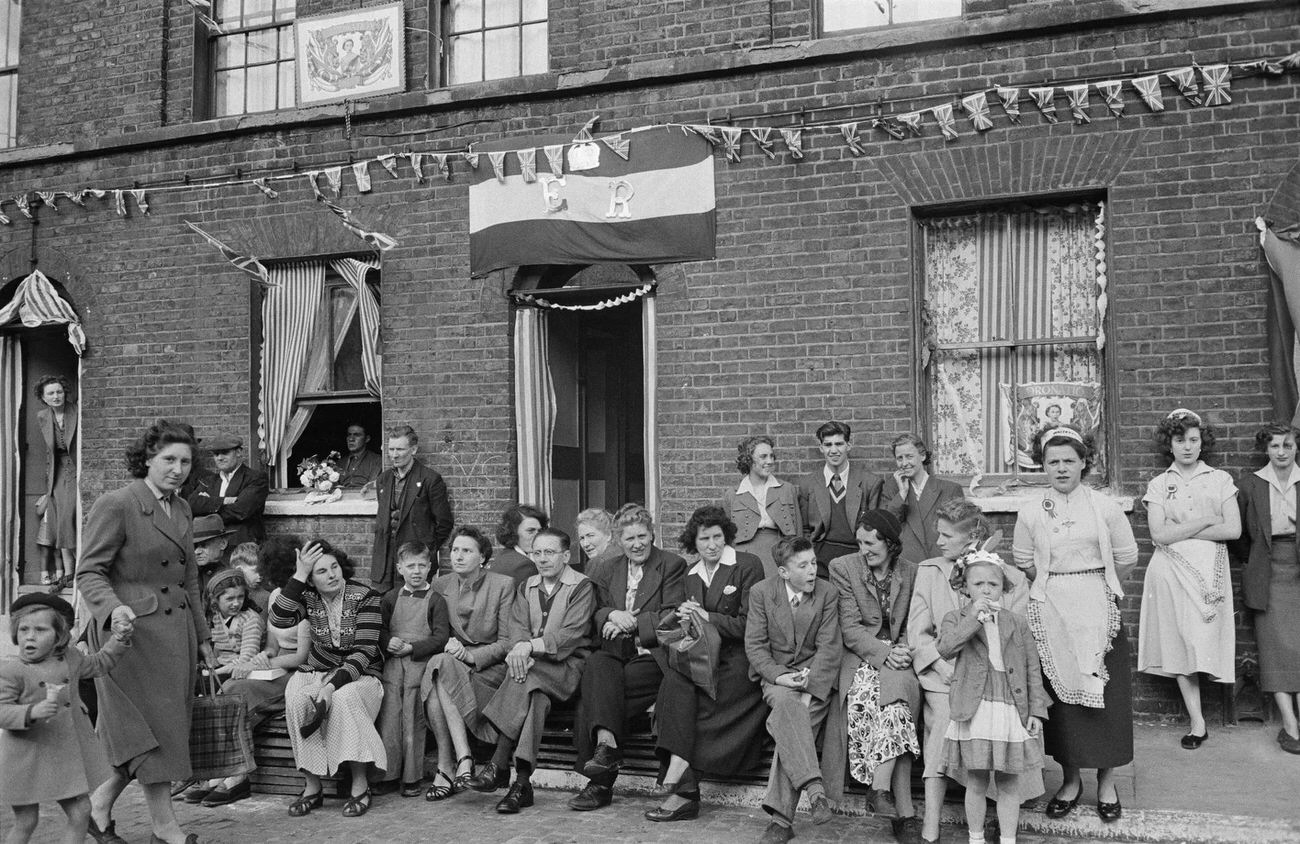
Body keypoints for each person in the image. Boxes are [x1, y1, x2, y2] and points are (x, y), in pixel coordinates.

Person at [77, 419, 215, 844]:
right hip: (129, 637)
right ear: (148, 460)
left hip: (176, 636)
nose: (177, 469)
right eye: (168, 459)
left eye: (185, 461)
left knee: (158, 728)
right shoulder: (117, 503)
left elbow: (189, 577)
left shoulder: (183, 507)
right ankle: (164, 827)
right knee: (150, 729)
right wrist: (114, 610)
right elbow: (89, 571)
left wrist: (204, 637)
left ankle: (97, 810)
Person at [1013, 425, 1137, 823]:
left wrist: (1101, 591)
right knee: (1063, 700)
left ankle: (1106, 782)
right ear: (1043, 466)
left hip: (1100, 608)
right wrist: (1056, 592)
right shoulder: (1031, 510)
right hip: (1054, 611)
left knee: (1107, 698)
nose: (1062, 468)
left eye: (1069, 461)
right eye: (1053, 462)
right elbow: (1024, 561)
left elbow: (1127, 556)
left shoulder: (1105, 507)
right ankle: (1070, 781)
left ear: (1084, 463)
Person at [909, 499, 1028, 844]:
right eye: (938, 535)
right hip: (943, 675)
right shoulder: (931, 572)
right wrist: (942, 666)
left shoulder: (1007, 577)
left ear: (972, 535)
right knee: (947, 717)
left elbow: (1016, 641)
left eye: (947, 535)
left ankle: (996, 817)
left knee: (1002, 719)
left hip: (995, 680)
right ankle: (932, 820)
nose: (939, 542)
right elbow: (918, 634)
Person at [647, 505, 767, 823]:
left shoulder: (747, 565)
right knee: (672, 684)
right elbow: (684, 628)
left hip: (740, 659)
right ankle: (682, 782)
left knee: (702, 704)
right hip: (702, 657)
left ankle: (681, 783)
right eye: (704, 539)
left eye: (717, 537)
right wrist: (684, 616)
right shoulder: (689, 574)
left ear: (726, 537)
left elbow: (751, 624)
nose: (711, 545)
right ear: (694, 542)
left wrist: (706, 617)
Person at [569, 503, 686, 812]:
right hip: (617, 650)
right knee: (596, 664)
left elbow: (672, 613)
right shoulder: (608, 568)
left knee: (591, 699)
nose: (637, 544)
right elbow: (596, 609)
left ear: (652, 534)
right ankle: (606, 745)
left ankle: (600, 782)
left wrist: (634, 622)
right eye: (629, 539)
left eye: (642, 536)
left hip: (655, 653)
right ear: (618, 541)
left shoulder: (672, 565)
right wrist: (612, 615)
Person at [1138, 409, 1240, 749]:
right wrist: (1206, 521)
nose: (1187, 447)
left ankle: (1200, 717)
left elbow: (1233, 529)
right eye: (1180, 440)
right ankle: (1197, 722)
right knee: (1179, 642)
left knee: (1201, 639)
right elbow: (1159, 535)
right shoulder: (1159, 483)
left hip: (1208, 571)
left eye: (1193, 440)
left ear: (1202, 442)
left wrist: (1180, 529)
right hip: (1169, 570)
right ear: (1170, 444)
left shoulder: (1219, 479)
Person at [476, 528, 596, 813]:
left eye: (550, 552)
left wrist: (528, 649)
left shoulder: (582, 587)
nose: (542, 559)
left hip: (568, 669)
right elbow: (516, 627)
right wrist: (520, 649)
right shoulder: (526, 586)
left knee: (525, 676)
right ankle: (521, 783)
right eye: (537, 552)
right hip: (532, 672)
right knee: (535, 699)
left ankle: (498, 761)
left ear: (566, 556)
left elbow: (570, 636)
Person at [191, 536, 313, 808]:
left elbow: (302, 656)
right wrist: (264, 655)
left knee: (234, 693)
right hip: (272, 669)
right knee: (231, 691)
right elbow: (272, 643)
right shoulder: (277, 598)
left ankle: (235, 776)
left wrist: (270, 663)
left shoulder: (306, 601)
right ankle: (229, 773)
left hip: (294, 674)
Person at [0, 594, 132, 844]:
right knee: (27, 821)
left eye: (40, 630)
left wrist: (119, 639)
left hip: (62, 755)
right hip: (26, 758)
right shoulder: (11, 671)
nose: (29, 636)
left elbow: (100, 663)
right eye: (24, 629)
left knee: (81, 812)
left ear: (59, 635)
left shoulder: (70, 658)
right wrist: (30, 712)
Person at [937, 552, 1049, 844]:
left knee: (1009, 780)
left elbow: (1031, 667)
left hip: (1010, 703)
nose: (986, 590)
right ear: (965, 588)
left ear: (1004, 588)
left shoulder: (1015, 621)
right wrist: (974, 618)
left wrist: (1036, 711)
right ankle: (976, 838)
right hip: (976, 705)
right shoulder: (957, 618)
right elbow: (946, 647)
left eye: (993, 584)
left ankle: (1008, 839)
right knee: (976, 779)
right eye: (978, 584)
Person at [825, 509, 922, 844]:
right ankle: (904, 815)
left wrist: (905, 648)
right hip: (862, 654)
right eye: (860, 542)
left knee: (897, 706)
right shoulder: (844, 568)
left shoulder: (911, 572)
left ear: (891, 544)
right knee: (870, 697)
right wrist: (884, 654)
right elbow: (850, 628)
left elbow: (915, 620)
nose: (864, 549)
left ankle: (879, 789)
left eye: (872, 543)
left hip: (902, 654)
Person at [271, 540, 386, 819]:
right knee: (297, 697)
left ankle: (360, 785)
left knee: (345, 699)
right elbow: (279, 619)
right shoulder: (308, 597)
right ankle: (312, 786)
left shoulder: (367, 597)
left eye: (334, 567)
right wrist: (299, 575)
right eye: (321, 571)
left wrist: (331, 687)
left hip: (361, 675)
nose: (332, 574)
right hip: (317, 670)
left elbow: (364, 652)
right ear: (311, 580)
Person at [744, 536, 842, 844]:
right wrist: (780, 677)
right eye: (803, 565)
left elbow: (829, 648)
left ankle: (781, 820)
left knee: (792, 718)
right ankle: (815, 788)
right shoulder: (762, 592)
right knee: (789, 707)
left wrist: (810, 684)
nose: (813, 570)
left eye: (813, 562)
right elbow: (756, 646)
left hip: (816, 678)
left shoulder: (827, 593)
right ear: (784, 572)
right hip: (778, 679)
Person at [422, 526, 516, 800]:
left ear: (483, 558)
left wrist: (472, 656)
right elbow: (436, 632)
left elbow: (507, 641)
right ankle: (462, 759)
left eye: (467, 551)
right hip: (451, 661)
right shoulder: (440, 585)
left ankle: (447, 764)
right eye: (455, 550)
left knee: (440, 669)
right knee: (440, 664)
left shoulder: (502, 585)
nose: (458, 556)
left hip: (488, 666)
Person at [1230, 423, 1300, 754]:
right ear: (1266, 450)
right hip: (1267, 575)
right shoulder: (1250, 485)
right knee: (1275, 650)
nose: (1282, 452)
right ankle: (1290, 726)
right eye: (1274, 446)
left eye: (1287, 445)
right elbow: (1241, 538)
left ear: (1296, 447)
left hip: (1298, 569)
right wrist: (1256, 562)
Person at [372, 542, 451, 797]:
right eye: (410, 566)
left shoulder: (436, 601)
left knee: (413, 720)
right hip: (393, 668)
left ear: (430, 568)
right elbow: (378, 629)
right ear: (399, 568)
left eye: (421, 566)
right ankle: (387, 774)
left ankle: (411, 777)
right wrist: (387, 641)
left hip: (419, 665)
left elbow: (440, 637)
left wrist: (413, 648)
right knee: (389, 720)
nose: (416, 571)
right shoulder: (391, 598)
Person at [797, 420, 885, 579]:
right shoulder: (808, 484)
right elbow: (804, 529)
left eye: (839, 444)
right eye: (828, 445)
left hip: (857, 556)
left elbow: (875, 531)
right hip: (820, 557)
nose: (834, 450)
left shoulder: (869, 483)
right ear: (821, 448)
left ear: (848, 446)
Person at [372, 425, 454, 590]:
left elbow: (444, 522)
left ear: (413, 449)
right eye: (391, 449)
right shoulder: (383, 479)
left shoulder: (430, 479)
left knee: (414, 604)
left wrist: (426, 548)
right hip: (385, 559)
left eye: (400, 449)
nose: (394, 455)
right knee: (385, 606)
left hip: (414, 560)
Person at [723, 435, 803, 579]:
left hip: (779, 553)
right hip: (745, 555)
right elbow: (726, 538)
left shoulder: (787, 489)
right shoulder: (733, 494)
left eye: (772, 456)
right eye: (763, 457)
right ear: (748, 459)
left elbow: (798, 530)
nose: (770, 461)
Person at [884, 433, 965, 566]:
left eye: (909, 457)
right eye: (899, 458)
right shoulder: (892, 489)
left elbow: (960, 532)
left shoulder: (949, 489)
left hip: (940, 564)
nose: (904, 463)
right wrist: (902, 494)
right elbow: (888, 528)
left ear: (922, 456)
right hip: (906, 566)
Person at [186, 434, 268, 560]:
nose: (219, 458)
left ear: (239, 452)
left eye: (224, 453)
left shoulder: (255, 478)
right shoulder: (209, 481)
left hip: (242, 548)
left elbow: (240, 511)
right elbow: (191, 504)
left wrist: (206, 507)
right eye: (216, 454)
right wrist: (224, 501)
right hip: (210, 550)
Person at [33, 375, 78, 589]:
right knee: (60, 519)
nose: (56, 396)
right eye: (50, 393)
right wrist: (47, 486)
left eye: (59, 391)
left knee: (69, 515)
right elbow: (50, 454)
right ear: (43, 397)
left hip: (76, 467)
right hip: (57, 471)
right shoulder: (43, 416)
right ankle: (69, 572)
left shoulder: (76, 411)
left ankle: (76, 570)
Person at [205, 567, 265, 678]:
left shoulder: (251, 619)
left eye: (240, 597)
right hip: (219, 669)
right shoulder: (214, 618)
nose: (236, 603)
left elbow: (246, 660)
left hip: (241, 673)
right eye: (230, 598)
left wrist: (210, 674)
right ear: (215, 599)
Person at [491, 504, 548, 582]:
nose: (538, 536)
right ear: (513, 533)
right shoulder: (524, 566)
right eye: (530, 531)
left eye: (540, 531)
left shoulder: (503, 556)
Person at [192, 514, 236, 596]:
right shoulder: (189, 575)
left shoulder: (233, 573)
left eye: (204, 545)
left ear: (223, 543)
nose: (197, 551)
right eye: (194, 546)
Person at [230, 540, 273, 614]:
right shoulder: (225, 594)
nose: (260, 576)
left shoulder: (265, 597)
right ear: (239, 570)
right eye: (256, 571)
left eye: (262, 571)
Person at [339, 423, 382, 488]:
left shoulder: (376, 461)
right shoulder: (340, 463)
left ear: (367, 439)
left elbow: (371, 488)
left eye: (356, 435)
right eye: (349, 435)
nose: (351, 439)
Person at [575, 508, 618, 572]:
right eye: (582, 538)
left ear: (609, 535)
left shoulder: (599, 565)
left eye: (590, 536)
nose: (585, 544)